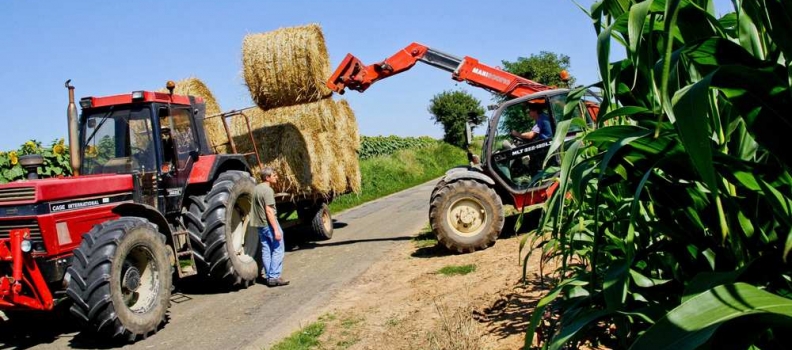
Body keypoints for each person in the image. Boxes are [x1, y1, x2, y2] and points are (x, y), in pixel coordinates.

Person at [250, 167, 289, 287]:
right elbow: (269, 211)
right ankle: (274, 276)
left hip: (259, 224)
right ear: (267, 177)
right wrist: (276, 229)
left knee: (266, 249)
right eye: (274, 175)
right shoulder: (267, 191)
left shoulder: (256, 189)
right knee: (278, 249)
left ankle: (269, 276)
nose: (276, 177)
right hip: (268, 223)